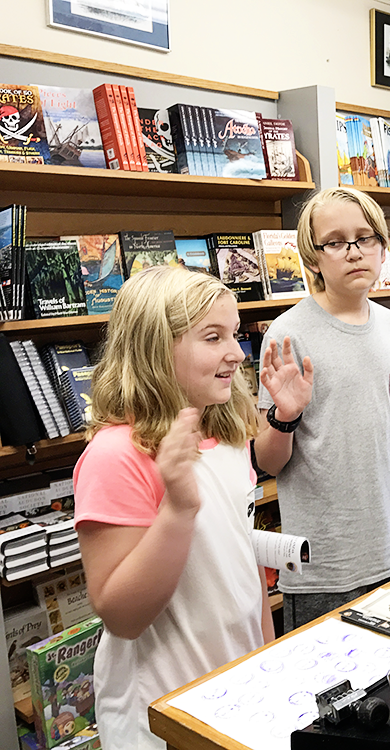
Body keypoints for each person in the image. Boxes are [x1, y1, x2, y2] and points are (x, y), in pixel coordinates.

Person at [73, 267, 276, 750]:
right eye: (213, 337)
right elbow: (122, 616)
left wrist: (267, 658)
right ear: (155, 349)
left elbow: (241, 568)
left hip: (239, 686)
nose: (237, 352)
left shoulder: (224, 435)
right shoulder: (115, 455)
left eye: (234, 334)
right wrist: (177, 511)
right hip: (163, 712)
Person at [253, 186, 390, 632]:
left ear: (383, 248)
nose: (354, 252)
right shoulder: (288, 335)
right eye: (335, 242)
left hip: (387, 552)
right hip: (322, 566)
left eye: (366, 238)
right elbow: (269, 461)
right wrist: (284, 416)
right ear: (312, 258)